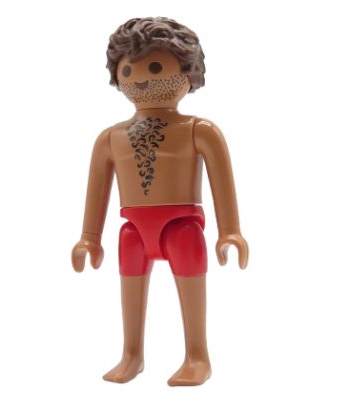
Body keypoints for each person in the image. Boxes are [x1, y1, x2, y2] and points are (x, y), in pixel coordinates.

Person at [71, 17, 249, 386]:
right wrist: (89, 237)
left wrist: (230, 231)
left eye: (155, 68)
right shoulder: (110, 138)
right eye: (128, 70)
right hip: (133, 229)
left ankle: (197, 355)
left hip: (182, 227)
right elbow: (97, 189)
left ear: (189, 72)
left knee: (191, 286)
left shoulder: (199, 130)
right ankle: (131, 355)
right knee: (130, 290)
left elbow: (222, 181)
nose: (140, 78)